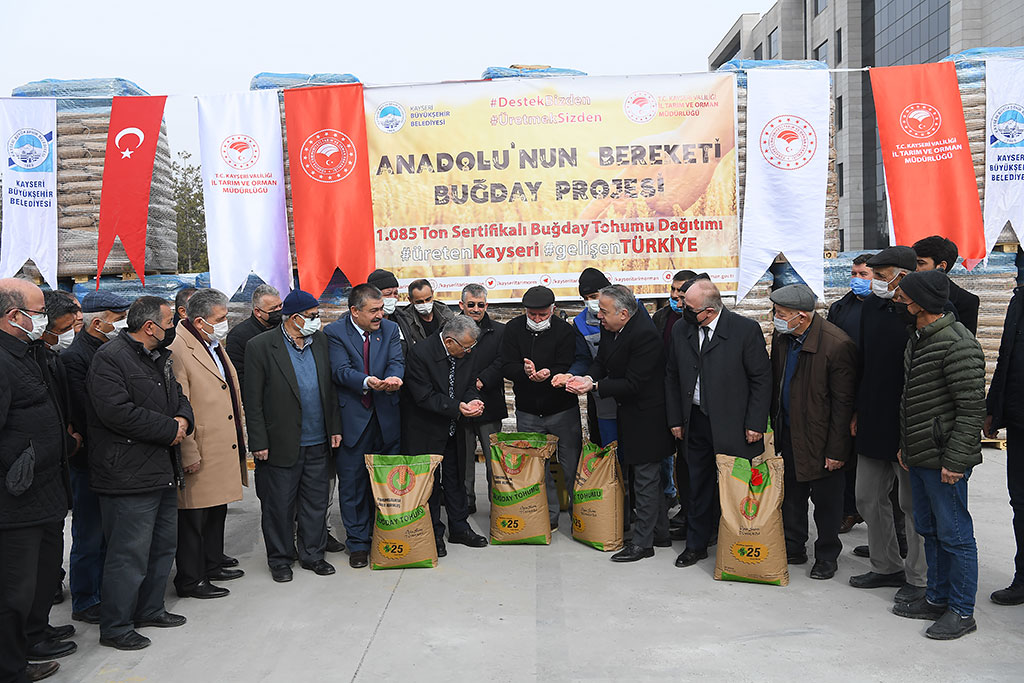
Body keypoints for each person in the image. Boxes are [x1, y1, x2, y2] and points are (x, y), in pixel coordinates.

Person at [87, 296, 194, 651]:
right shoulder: (110, 359)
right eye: (168, 323)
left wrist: (182, 420)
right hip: (127, 473)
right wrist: (168, 429)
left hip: (161, 468)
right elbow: (115, 412)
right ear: (150, 327)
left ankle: (150, 608)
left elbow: (179, 396)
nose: (172, 329)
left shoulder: (160, 357)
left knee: (163, 546)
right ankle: (116, 626)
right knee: (128, 554)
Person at [892, 270, 984, 640]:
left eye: (905, 296)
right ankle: (937, 596)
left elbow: (970, 409)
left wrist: (955, 461)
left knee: (956, 535)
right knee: (929, 529)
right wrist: (907, 445)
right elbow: (914, 401)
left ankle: (961, 611)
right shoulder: (921, 338)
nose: (899, 300)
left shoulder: (958, 344)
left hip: (945, 460)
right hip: (920, 454)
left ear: (922, 302)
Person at [665, 279, 771, 568]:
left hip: (735, 424)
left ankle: (736, 541)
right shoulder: (681, 329)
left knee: (734, 487)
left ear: (709, 312)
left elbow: (761, 379)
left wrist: (755, 423)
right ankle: (696, 545)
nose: (682, 310)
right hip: (695, 421)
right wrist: (675, 418)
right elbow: (672, 375)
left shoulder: (743, 331)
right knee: (696, 486)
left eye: (689, 307)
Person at [0, 279, 75, 682]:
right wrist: (21, 461)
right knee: (13, 589)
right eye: (39, 310)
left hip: (45, 489)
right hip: (16, 499)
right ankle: (11, 667)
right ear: (15, 316)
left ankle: (34, 634)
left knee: (42, 576)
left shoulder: (28, 352)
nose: (44, 317)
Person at [565, 284, 673, 562]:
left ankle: (642, 544)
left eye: (603, 311)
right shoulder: (611, 327)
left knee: (645, 478)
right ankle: (659, 532)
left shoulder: (645, 336)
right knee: (642, 475)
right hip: (628, 413)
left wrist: (595, 386)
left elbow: (634, 383)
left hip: (648, 415)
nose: (598, 316)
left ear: (623, 314)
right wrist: (587, 378)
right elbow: (602, 360)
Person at [243, 289, 342, 583]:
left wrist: (334, 427)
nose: (317, 321)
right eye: (312, 317)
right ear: (295, 318)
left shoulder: (320, 342)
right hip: (280, 443)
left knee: (315, 503)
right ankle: (280, 559)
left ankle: (313, 554)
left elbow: (331, 389)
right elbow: (254, 399)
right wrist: (258, 441)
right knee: (279, 506)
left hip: (318, 440)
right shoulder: (260, 346)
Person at [850, 246, 928, 606]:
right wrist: (856, 410)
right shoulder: (872, 308)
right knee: (867, 496)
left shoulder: (924, 314)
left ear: (905, 275)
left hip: (908, 422)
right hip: (872, 417)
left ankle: (919, 577)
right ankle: (885, 566)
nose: (877, 284)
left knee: (912, 505)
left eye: (881, 277)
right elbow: (863, 361)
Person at [769, 284, 857, 580]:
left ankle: (826, 556)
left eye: (781, 314)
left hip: (821, 440)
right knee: (792, 496)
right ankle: (793, 547)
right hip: (790, 432)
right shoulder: (783, 338)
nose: (775, 318)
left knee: (827, 503)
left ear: (802, 316)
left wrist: (836, 450)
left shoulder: (836, 345)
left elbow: (843, 404)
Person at [169, 289, 248, 600]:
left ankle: (213, 562)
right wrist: (188, 450)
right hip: (200, 444)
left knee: (216, 509)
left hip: (222, 442)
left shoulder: (211, 342)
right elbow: (181, 403)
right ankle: (191, 578)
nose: (225, 324)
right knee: (193, 517)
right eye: (221, 319)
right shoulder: (179, 347)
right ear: (199, 321)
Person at [62, 292, 131, 628]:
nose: (122, 324)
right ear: (99, 320)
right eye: (118, 318)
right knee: (89, 532)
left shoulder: (111, 350)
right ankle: (86, 597)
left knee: (108, 531)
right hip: (89, 459)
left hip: (113, 456)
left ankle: (104, 590)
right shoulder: (75, 357)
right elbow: (83, 408)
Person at [324, 283, 404, 569]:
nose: (380, 315)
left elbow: (396, 361)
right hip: (353, 421)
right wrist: (368, 381)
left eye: (381, 309)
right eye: (374, 310)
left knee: (387, 483)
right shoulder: (334, 333)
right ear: (354, 311)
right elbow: (340, 371)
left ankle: (385, 536)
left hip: (386, 419)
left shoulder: (391, 330)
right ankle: (358, 544)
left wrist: (395, 378)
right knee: (353, 485)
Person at [402, 316, 489, 555]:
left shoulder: (466, 351)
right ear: (450, 342)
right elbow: (423, 395)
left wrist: (473, 400)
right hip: (426, 427)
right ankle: (434, 532)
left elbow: (471, 383)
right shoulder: (421, 353)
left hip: (455, 427)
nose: (470, 351)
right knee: (430, 484)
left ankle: (460, 528)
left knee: (456, 479)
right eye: (466, 347)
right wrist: (456, 406)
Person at [501, 286, 581, 530]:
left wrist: (552, 373)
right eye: (532, 315)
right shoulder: (513, 329)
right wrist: (523, 372)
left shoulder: (566, 331)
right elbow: (506, 365)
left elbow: (569, 362)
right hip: (528, 410)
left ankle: (582, 515)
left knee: (572, 465)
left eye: (542, 315)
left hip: (562, 409)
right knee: (537, 469)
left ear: (553, 310)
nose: (537, 320)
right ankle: (549, 515)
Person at [827, 253, 874, 535]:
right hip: (843, 387)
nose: (856, 279)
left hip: (870, 390)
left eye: (863, 275)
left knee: (869, 459)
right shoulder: (840, 308)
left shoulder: (886, 308)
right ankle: (848, 509)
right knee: (843, 453)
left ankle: (871, 512)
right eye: (853, 274)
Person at [985, 280, 1024, 606]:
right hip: (1019, 420)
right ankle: (1022, 578)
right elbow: (1006, 357)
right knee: (1020, 504)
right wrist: (993, 411)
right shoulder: (1019, 299)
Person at [652, 270, 698, 538]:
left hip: (693, 400)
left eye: (681, 292)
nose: (675, 297)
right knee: (674, 459)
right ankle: (681, 505)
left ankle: (697, 515)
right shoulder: (661, 318)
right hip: (667, 397)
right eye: (673, 291)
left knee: (694, 460)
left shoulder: (694, 323)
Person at [456, 284, 506, 514]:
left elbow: (502, 361)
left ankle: (498, 502)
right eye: (471, 305)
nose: (476, 309)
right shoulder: (450, 329)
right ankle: (466, 502)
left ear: (487, 305)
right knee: (463, 459)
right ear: (461, 305)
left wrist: (482, 380)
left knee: (493, 458)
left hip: (490, 403)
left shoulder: (499, 331)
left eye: (480, 305)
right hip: (461, 405)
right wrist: (465, 385)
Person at [913, 235, 980, 335]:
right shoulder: (906, 293)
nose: (915, 268)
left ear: (941, 266)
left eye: (921, 263)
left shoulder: (966, 301)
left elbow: (964, 344)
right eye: (913, 262)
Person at [225, 284, 282, 395]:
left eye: (280, 306)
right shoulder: (238, 336)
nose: (279, 310)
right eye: (273, 308)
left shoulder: (284, 328)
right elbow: (239, 376)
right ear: (257, 312)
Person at [367, 268, 414, 356]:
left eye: (395, 293)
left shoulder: (403, 317)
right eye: (387, 294)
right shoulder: (358, 320)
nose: (393, 297)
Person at [399, 278, 454, 346]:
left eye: (428, 299)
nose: (425, 304)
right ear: (410, 300)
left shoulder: (445, 313)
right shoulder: (405, 319)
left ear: (432, 294)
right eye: (419, 302)